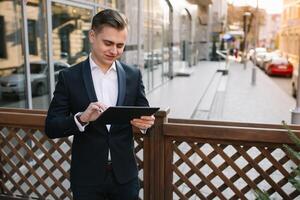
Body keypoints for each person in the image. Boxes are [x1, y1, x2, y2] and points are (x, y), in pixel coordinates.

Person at [45, 9, 155, 200]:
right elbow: (52, 127)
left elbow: (145, 117)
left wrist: (146, 125)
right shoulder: (69, 77)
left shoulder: (133, 75)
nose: (114, 51)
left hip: (125, 177)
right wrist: (81, 118)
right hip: (87, 178)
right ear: (92, 36)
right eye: (108, 43)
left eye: (120, 45)